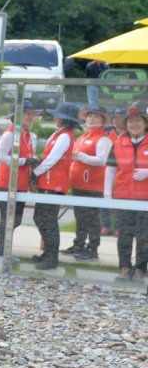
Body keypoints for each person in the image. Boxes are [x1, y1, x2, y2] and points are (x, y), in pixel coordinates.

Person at [30, 103, 80, 270]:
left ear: (64, 119)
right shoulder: (60, 134)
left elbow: (52, 160)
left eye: (58, 115)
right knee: (40, 218)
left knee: (48, 221)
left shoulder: (65, 136)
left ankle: (51, 258)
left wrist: (35, 172)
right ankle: (48, 253)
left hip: (54, 183)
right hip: (49, 182)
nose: (55, 117)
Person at [64, 105, 113, 261]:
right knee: (81, 217)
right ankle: (78, 244)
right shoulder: (83, 136)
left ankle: (92, 249)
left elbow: (102, 160)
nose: (92, 119)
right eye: (90, 116)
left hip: (92, 185)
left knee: (92, 219)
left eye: (96, 117)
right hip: (79, 185)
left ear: (103, 120)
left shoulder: (103, 138)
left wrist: (81, 156)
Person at [0, 101, 40, 260]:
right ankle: (1, 252)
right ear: (16, 116)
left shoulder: (25, 134)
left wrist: (31, 162)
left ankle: (2, 250)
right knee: (8, 219)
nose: (30, 117)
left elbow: (25, 158)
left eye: (31, 114)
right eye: (27, 114)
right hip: (7, 183)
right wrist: (24, 161)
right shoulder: (10, 133)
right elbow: (0, 157)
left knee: (15, 220)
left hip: (19, 184)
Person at [108, 105, 148, 281]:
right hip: (123, 197)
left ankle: (140, 269)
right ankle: (124, 267)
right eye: (130, 121)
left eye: (138, 120)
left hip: (145, 199)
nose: (134, 124)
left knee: (144, 236)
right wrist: (107, 194)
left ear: (145, 123)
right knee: (123, 235)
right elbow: (110, 169)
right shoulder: (118, 143)